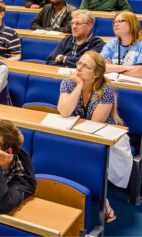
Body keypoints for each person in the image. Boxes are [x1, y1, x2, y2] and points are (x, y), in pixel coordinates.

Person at [57, 50, 130, 223]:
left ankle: (101, 201)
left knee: (82, 156)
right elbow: (64, 111)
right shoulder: (69, 83)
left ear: (97, 74)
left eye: (86, 66)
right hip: (77, 133)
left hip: (107, 138)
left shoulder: (106, 90)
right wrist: (79, 86)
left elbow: (95, 124)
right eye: (79, 63)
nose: (79, 68)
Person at [101, 11, 142, 136]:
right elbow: (101, 67)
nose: (116, 24)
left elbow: (141, 72)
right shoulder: (112, 43)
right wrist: (128, 68)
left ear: (132, 23)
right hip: (116, 87)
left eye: (121, 21)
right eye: (114, 22)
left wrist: (113, 68)